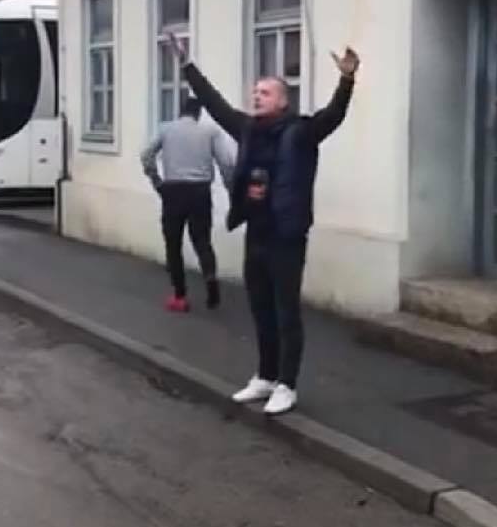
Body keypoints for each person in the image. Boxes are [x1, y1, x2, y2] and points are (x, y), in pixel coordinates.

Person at [163, 33, 358, 416]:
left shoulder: (301, 132)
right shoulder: (248, 128)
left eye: (265, 92)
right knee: (260, 309)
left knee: (286, 312)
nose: (256, 97)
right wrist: (187, 67)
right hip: (256, 234)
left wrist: (347, 79)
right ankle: (266, 376)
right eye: (255, 92)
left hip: (287, 236)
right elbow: (214, 103)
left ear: (283, 101)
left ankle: (287, 384)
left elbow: (333, 115)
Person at [140, 97, 235, 312]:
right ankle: (210, 280)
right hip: (200, 192)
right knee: (202, 241)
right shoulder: (210, 131)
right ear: (198, 113)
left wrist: (157, 181)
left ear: (180, 111)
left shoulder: (166, 129)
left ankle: (179, 295)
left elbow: (146, 156)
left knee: (173, 243)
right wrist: (231, 193)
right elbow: (226, 165)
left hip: (173, 191)